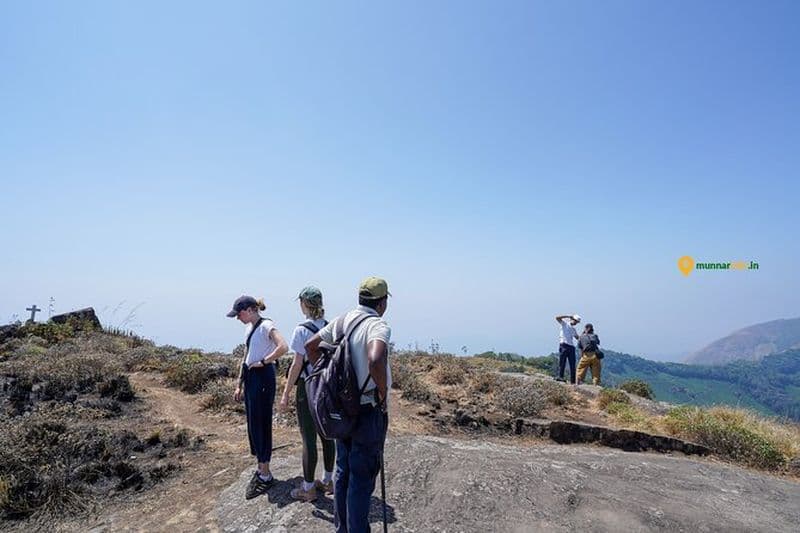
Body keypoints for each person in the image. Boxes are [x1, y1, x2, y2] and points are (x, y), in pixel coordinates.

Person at [305, 276, 392, 533]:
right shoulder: (377, 325)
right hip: (367, 409)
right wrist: (382, 392)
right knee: (361, 478)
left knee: (343, 471)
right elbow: (375, 359)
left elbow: (311, 347)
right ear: (382, 302)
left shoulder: (344, 320)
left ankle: (341, 529)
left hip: (343, 408)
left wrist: (326, 378)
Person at [227, 295, 288, 500]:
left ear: (250, 310)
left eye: (239, 314)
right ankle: (262, 468)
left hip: (262, 377)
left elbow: (283, 347)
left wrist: (264, 361)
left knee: (261, 423)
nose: (238, 318)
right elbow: (246, 356)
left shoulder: (266, 325)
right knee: (254, 424)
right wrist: (239, 383)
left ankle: (265, 473)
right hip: (252, 377)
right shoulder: (250, 328)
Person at [279, 286, 336, 502]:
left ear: (304, 304)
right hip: (327, 386)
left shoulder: (301, 330)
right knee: (328, 434)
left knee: (308, 439)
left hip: (308, 386)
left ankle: (309, 488)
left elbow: (297, 364)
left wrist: (286, 392)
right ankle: (328, 481)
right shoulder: (331, 327)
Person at [555, 314, 580, 383]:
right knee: (562, 362)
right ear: (572, 319)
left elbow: (577, 337)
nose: (576, 323)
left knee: (572, 364)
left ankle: (573, 381)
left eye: (577, 322)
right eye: (575, 321)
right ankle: (561, 377)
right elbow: (557, 317)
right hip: (564, 345)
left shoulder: (573, 329)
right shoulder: (564, 324)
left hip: (571, 347)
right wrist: (568, 316)